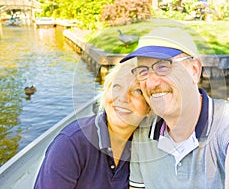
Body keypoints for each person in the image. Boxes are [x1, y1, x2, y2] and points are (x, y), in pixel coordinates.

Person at [120, 27, 229, 189]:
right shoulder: (143, 134)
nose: (151, 82)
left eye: (163, 67)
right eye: (143, 71)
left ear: (194, 70)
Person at [34, 60, 150, 189]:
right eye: (117, 86)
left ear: (149, 107)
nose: (123, 98)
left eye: (138, 91)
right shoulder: (71, 144)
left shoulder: (147, 145)